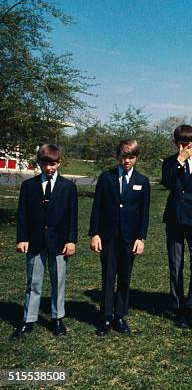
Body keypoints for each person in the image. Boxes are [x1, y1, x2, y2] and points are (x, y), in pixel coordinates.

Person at [11, 144, 78, 340]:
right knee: (33, 281)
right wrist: (22, 238)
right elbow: (22, 215)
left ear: (59, 163)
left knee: (58, 280)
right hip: (34, 241)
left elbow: (72, 216)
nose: (48, 168)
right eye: (44, 164)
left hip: (59, 242)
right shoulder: (28, 186)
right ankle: (28, 319)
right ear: (38, 163)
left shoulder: (68, 187)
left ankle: (57, 318)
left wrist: (71, 240)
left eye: (53, 164)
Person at [89, 139, 150, 336]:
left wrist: (141, 238)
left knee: (124, 276)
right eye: (124, 156)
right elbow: (96, 207)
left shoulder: (142, 181)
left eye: (131, 157)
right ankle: (106, 316)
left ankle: (120, 316)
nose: (127, 161)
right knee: (108, 274)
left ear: (137, 158)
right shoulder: (106, 178)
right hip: (108, 236)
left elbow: (144, 213)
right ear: (117, 156)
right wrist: (95, 233)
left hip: (130, 237)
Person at [161, 125, 192, 330]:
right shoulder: (170, 162)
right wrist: (179, 160)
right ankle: (178, 307)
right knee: (175, 264)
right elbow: (168, 183)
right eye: (180, 142)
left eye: (188, 142)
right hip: (175, 218)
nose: (184, 145)